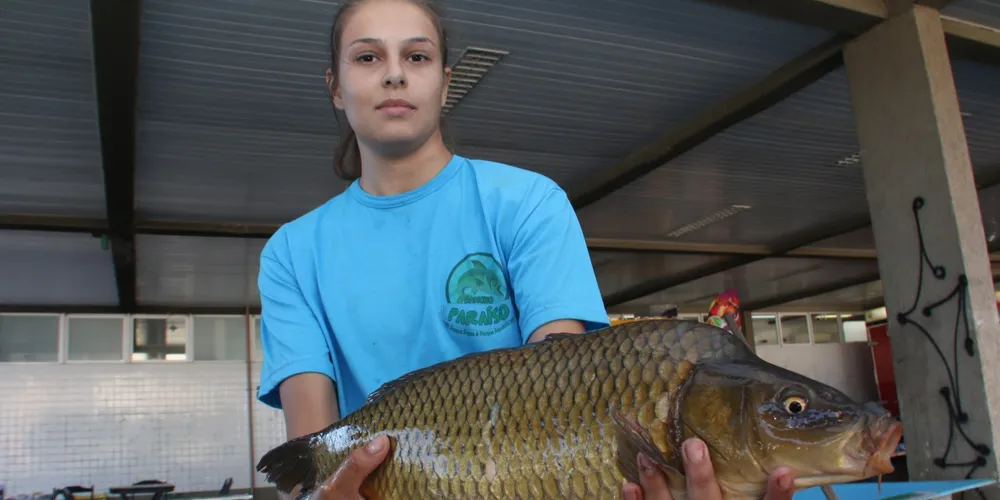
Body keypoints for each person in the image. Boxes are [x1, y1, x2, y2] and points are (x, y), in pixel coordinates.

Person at [255, 0, 796, 498]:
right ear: (334, 86)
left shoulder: (528, 202)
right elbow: (312, 455)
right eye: (368, 56)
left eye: (416, 55)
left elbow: (564, 394)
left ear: (445, 84)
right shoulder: (291, 253)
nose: (394, 73)